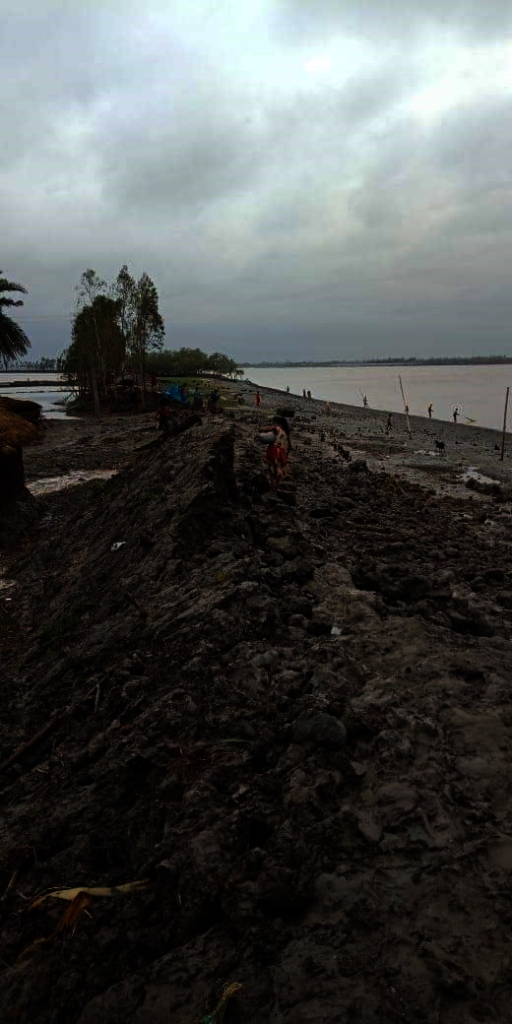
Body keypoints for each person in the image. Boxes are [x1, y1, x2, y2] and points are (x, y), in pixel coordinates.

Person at [263, 416, 291, 490]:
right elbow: (290, 445)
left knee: (271, 467)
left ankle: (273, 485)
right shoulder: (286, 433)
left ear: (280, 424)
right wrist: (286, 454)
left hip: (274, 449)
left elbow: (268, 429)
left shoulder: (277, 428)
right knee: (279, 468)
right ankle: (277, 486)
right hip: (282, 451)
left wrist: (262, 429)